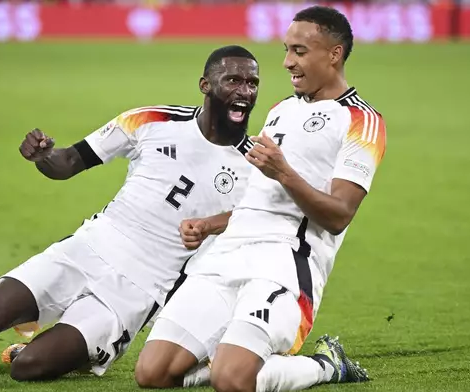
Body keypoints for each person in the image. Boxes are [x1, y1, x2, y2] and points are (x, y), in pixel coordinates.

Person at [0, 45, 260, 382]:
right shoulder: (150, 120)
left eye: (252, 83)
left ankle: (80, 350)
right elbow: (67, 162)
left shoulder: (256, 165)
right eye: (233, 80)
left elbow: (261, 218)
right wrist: (43, 157)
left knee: (27, 368)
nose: (245, 91)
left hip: (139, 288)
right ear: (205, 84)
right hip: (88, 249)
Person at [135, 6, 385, 392]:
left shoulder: (361, 121)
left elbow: (339, 215)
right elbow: (257, 199)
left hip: (285, 261)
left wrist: (283, 171)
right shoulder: (281, 110)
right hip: (228, 253)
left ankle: (325, 365)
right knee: (152, 375)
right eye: (287, 50)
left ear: (334, 54)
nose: (287, 62)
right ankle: (232, 361)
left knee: (232, 381)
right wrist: (209, 225)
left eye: (300, 52)